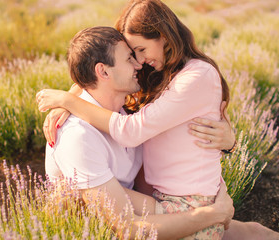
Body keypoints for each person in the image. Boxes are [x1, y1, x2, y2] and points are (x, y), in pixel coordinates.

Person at [36, 1, 279, 239]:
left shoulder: (185, 78)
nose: (139, 62)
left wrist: (70, 100)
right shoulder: (81, 133)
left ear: (163, 37)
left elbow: (126, 121)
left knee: (256, 232)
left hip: (164, 203)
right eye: (132, 55)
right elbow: (126, 226)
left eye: (140, 51)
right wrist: (71, 97)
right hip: (133, 213)